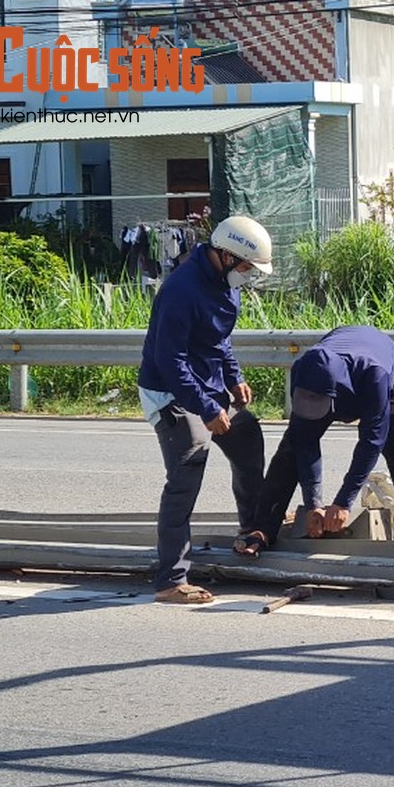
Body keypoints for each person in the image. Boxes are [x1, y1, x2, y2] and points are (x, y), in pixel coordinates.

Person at [137, 215, 274, 605]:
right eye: (247, 266)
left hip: (207, 385)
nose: (249, 275)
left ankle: (251, 528)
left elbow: (220, 340)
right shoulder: (182, 290)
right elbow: (171, 361)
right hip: (170, 392)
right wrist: (207, 408)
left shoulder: (224, 284)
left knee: (247, 437)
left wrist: (234, 378)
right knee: (188, 468)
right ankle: (170, 580)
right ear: (226, 256)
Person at [237, 325, 394, 552]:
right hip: (336, 364)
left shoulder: (375, 377)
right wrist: (313, 503)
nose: (313, 410)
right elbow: (304, 443)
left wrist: (344, 501)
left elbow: (371, 443)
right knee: (290, 450)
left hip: (376, 370)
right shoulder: (302, 371)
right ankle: (262, 530)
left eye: (319, 405)